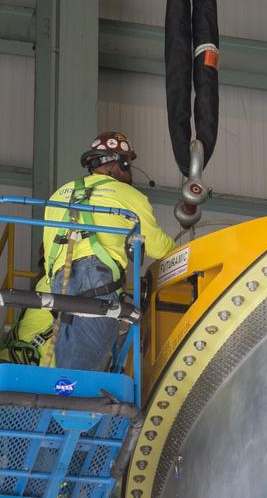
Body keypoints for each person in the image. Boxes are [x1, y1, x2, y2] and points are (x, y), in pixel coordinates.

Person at [42, 131, 176, 371]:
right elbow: (159, 247)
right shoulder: (129, 195)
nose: (130, 170)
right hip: (97, 281)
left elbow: (48, 245)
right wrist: (187, 251)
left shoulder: (57, 195)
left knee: (68, 364)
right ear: (119, 163)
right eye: (128, 163)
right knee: (81, 371)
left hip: (59, 284)